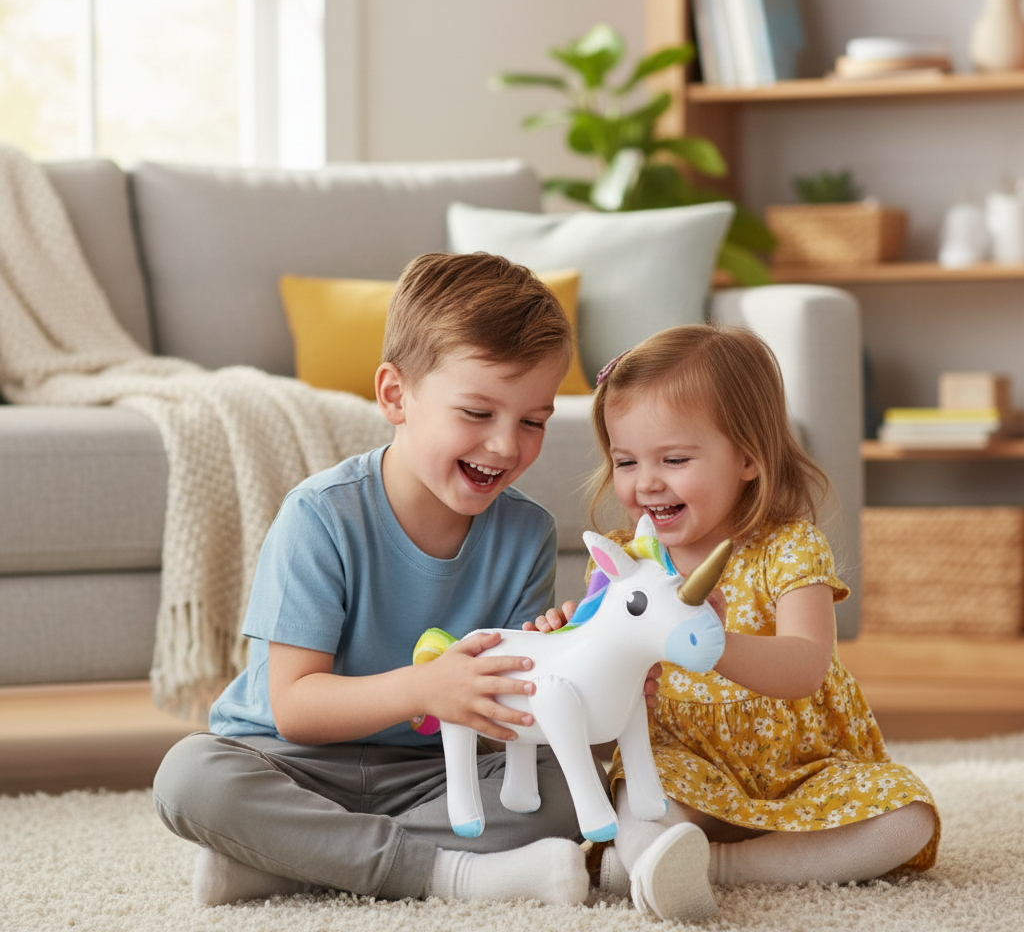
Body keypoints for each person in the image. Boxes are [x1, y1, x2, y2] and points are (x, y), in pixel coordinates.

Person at [152, 252, 593, 908]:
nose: (505, 445)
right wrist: (425, 688)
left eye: (533, 420)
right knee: (189, 778)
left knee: (562, 791)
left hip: (436, 772)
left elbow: (504, 715)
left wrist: (555, 660)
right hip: (297, 763)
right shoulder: (320, 516)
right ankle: (445, 875)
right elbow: (296, 707)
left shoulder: (526, 533)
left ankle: (291, 862)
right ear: (395, 396)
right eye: (477, 413)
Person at [556, 323, 940, 922]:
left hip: (797, 771)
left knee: (908, 818)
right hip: (685, 764)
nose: (645, 481)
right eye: (625, 460)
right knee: (642, 793)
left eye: (674, 459)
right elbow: (606, 709)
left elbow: (806, 665)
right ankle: (656, 854)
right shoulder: (625, 563)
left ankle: (717, 866)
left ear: (748, 459)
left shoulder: (788, 547)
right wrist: (568, 648)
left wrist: (714, 644)